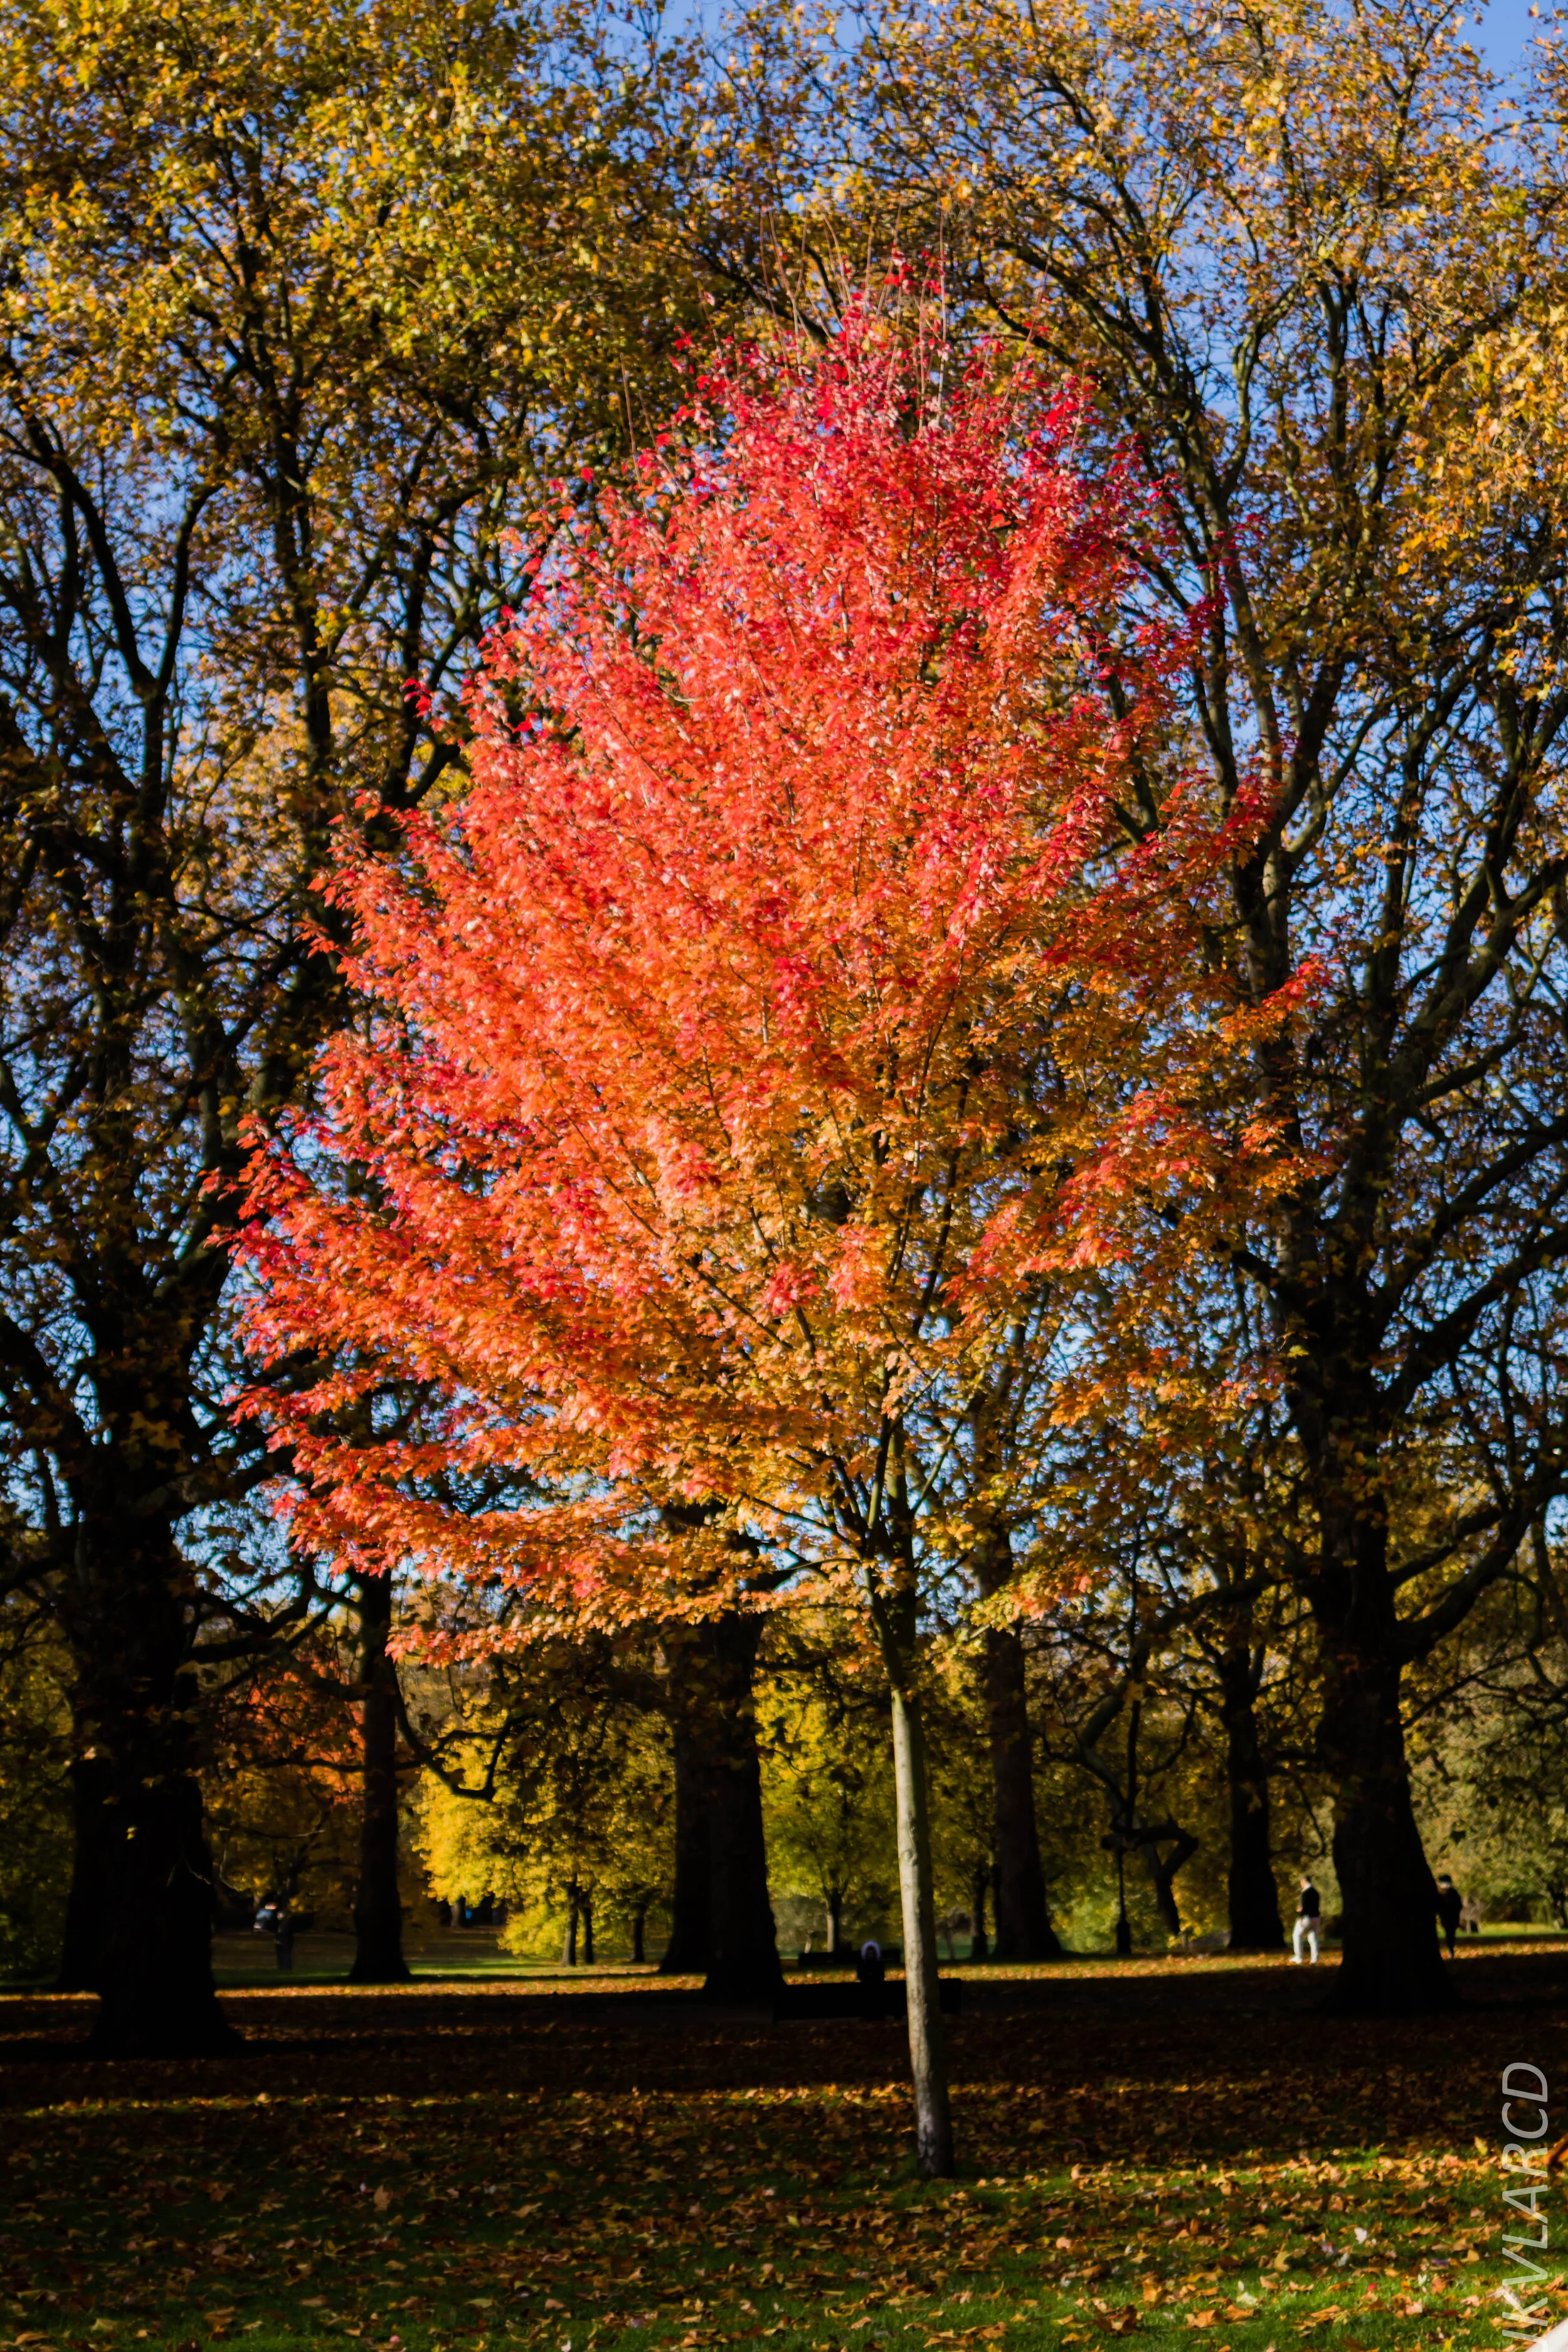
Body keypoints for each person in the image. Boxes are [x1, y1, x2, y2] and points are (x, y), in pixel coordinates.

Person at [1292, 1877, 1322, 1965]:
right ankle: (1315, 1959)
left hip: (1307, 1918)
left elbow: (1305, 1906)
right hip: (1316, 1917)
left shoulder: (1306, 1892)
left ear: (1303, 1882)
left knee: (1297, 1935)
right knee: (1313, 1938)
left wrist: (1301, 1915)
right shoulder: (1316, 1892)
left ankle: (1299, 1957)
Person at [1435, 1873, 1465, 1958]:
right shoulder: (1441, 1894)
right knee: (1450, 1935)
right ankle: (1451, 1950)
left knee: (1450, 1935)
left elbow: (1458, 1906)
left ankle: (1451, 1950)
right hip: (1446, 1918)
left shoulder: (1453, 1894)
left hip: (1451, 1918)